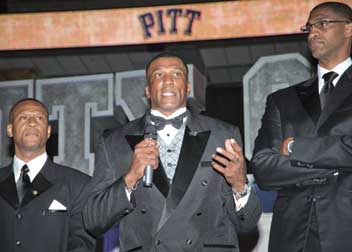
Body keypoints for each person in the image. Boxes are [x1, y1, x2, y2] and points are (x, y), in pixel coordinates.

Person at [83, 52, 261, 252]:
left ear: (187, 87)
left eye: (176, 74)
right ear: (148, 91)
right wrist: (130, 177)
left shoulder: (224, 135)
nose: (168, 81)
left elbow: (248, 223)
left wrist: (239, 185)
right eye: (158, 75)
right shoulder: (113, 142)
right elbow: (93, 221)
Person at [251, 2, 352, 252]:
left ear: (349, 29)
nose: (313, 32)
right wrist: (335, 169)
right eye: (309, 27)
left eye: (322, 24)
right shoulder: (282, 100)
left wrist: (297, 147)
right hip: (292, 234)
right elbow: (263, 167)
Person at [0, 98, 95, 252]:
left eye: (39, 118)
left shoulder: (79, 184)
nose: (32, 123)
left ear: (48, 131)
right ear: (10, 130)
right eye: (23, 117)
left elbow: (82, 244)